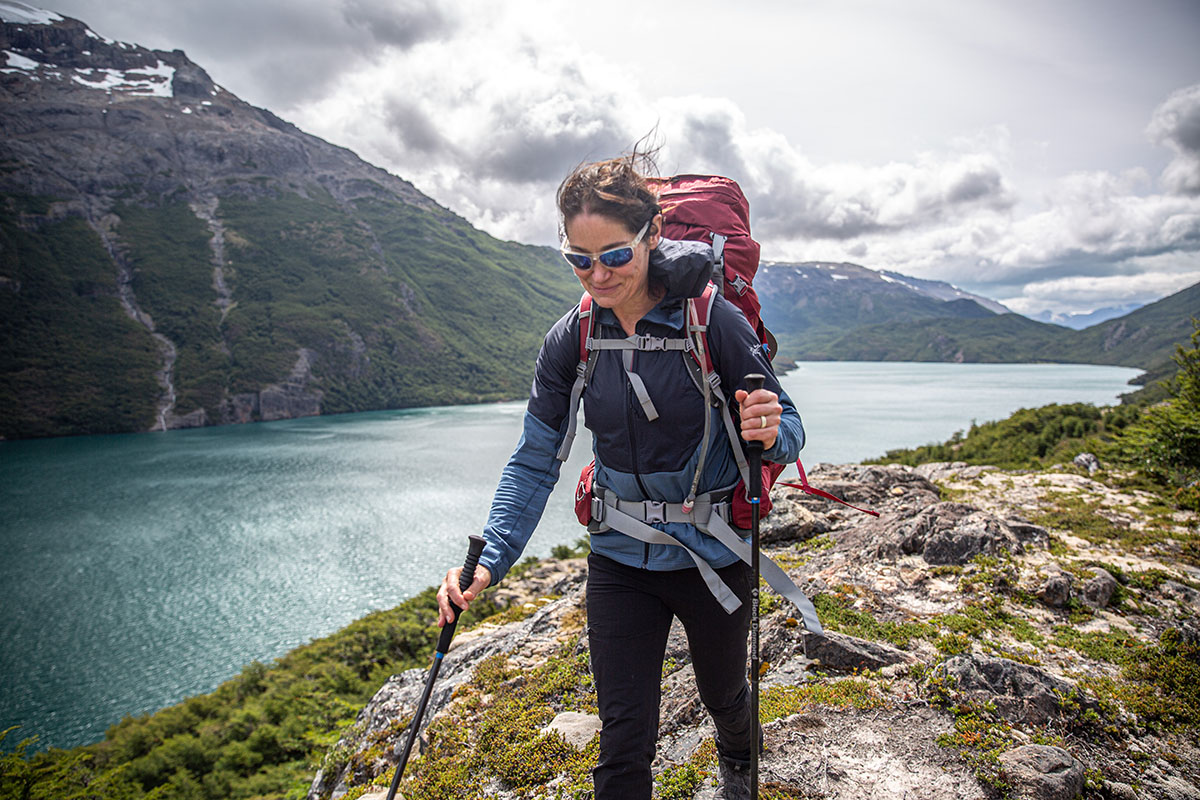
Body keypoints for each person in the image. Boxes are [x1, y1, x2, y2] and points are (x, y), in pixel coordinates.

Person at [436, 152, 804, 800]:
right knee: (623, 741)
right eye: (578, 259)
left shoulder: (711, 320)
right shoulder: (572, 337)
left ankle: (738, 759)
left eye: (612, 256)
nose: (596, 275)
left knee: (724, 694)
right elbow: (534, 459)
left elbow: (791, 432)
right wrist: (489, 557)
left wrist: (772, 430)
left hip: (713, 553)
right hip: (618, 560)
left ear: (652, 237)